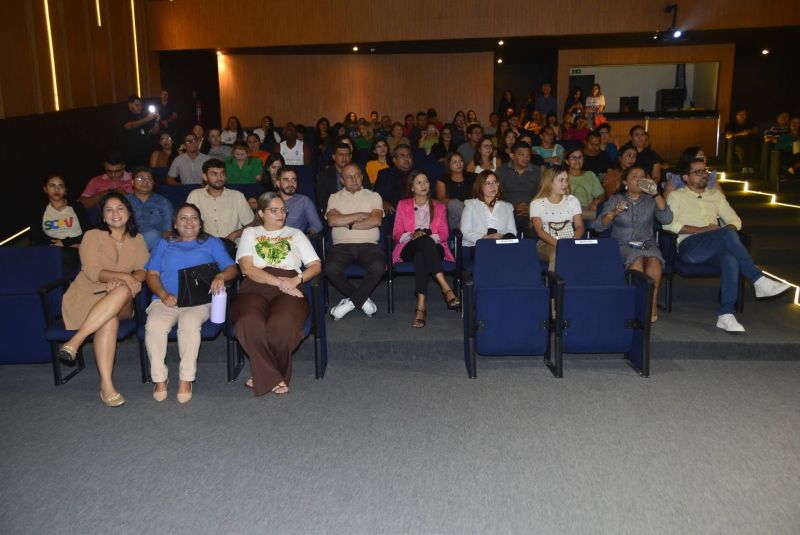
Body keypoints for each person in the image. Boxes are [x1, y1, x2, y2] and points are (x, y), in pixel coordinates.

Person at [664, 158, 790, 331]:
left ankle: (726, 314)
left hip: (715, 246)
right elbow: (668, 225)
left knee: (730, 257)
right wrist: (701, 230)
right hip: (689, 247)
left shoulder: (715, 196)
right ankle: (757, 279)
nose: (704, 175)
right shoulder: (676, 196)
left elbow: (734, 220)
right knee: (726, 234)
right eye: (698, 172)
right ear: (686, 177)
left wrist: (724, 230)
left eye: (705, 171)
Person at [57, 192, 148, 407]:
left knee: (122, 291)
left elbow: (143, 270)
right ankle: (106, 385)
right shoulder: (92, 236)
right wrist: (124, 276)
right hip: (87, 296)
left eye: (120, 208)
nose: (115, 213)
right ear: (103, 216)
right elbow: (92, 272)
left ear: (128, 213)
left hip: (124, 299)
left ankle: (75, 341)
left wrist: (129, 280)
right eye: (109, 210)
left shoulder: (138, 239)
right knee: (109, 319)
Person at [144, 203, 238, 403]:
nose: (189, 222)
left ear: (200, 223)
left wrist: (221, 275)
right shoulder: (164, 243)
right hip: (166, 299)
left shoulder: (211, 243)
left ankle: (186, 378)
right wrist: (162, 294)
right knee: (154, 326)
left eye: (194, 218)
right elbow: (151, 274)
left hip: (198, 301)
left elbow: (232, 268)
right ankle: (159, 378)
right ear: (175, 224)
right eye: (183, 218)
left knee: (188, 324)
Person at [232, 192, 322, 396]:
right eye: (274, 210)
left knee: (281, 326)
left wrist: (295, 280)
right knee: (248, 321)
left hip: (290, 282)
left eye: (283, 210)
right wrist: (279, 283)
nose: (280, 214)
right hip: (256, 284)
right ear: (262, 213)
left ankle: (262, 375)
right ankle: (273, 376)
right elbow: (247, 268)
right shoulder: (250, 233)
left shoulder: (296, 234)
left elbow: (315, 266)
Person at [594, 166, 673, 322]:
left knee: (655, 260)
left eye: (643, 176)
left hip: (646, 243)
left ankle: (651, 305)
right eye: (635, 176)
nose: (639, 180)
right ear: (625, 182)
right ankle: (636, 305)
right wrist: (613, 213)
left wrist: (656, 194)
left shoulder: (651, 200)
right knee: (636, 259)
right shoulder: (616, 199)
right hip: (623, 244)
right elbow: (599, 226)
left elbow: (667, 219)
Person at [391, 170, 459, 328]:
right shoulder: (403, 204)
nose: (423, 185)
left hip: (434, 247)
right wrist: (413, 235)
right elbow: (396, 234)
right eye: (419, 182)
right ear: (412, 187)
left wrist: (426, 236)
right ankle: (446, 288)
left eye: (426, 181)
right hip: (409, 247)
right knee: (422, 243)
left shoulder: (439, 206)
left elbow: (443, 233)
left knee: (423, 252)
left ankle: (421, 306)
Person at [324, 163, 384, 320]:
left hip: (369, 246)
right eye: (349, 176)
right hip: (341, 247)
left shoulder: (373, 196)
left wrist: (345, 220)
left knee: (379, 267)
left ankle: (351, 302)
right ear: (342, 180)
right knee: (330, 268)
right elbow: (332, 221)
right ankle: (363, 301)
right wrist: (361, 214)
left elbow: (376, 220)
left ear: (362, 177)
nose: (354, 179)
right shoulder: (334, 197)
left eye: (357, 175)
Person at [186, 159, 254, 250]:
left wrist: (236, 234)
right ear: (205, 177)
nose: (219, 178)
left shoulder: (237, 196)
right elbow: (186, 223)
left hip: (232, 247)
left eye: (222, 173)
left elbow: (252, 224)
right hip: (204, 247)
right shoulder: (195, 195)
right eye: (214, 174)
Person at [30, 174, 90, 271]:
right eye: (52, 186)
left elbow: (89, 232)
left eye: (60, 186)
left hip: (76, 247)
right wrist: (52, 243)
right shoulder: (40, 210)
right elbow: (34, 235)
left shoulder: (77, 206)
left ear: (65, 190)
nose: (56, 189)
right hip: (51, 249)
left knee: (61, 257)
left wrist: (65, 242)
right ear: (45, 189)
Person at [530, 167, 584, 271]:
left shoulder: (572, 200)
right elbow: (540, 231)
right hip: (546, 244)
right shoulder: (537, 203)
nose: (565, 184)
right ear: (549, 182)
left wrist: (572, 242)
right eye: (561, 180)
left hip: (571, 241)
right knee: (557, 253)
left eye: (567, 180)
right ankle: (555, 285)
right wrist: (562, 245)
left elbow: (579, 226)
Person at [459, 170, 517, 248]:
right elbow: (465, 232)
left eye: (495, 182)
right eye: (488, 183)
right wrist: (485, 237)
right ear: (480, 186)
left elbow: (512, 232)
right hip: (477, 246)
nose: (492, 186)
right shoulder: (470, 205)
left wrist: (499, 237)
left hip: (501, 245)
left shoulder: (507, 207)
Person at [496, 141, 542, 233]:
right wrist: (512, 206)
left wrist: (530, 208)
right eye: (521, 154)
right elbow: (496, 196)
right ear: (512, 156)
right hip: (508, 212)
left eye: (528, 155)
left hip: (531, 212)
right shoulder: (501, 171)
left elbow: (541, 194)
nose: (526, 158)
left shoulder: (536, 171)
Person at [127, 167, 173, 250]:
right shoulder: (124, 202)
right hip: (128, 241)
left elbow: (169, 230)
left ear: (153, 183)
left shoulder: (163, 202)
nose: (145, 181)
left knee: (152, 235)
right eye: (140, 178)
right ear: (132, 182)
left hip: (155, 242)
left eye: (149, 179)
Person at [277, 167, 322, 236]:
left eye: (294, 180)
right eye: (286, 180)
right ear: (278, 183)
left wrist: (306, 235)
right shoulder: (270, 200)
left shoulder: (304, 201)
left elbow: (317, 226)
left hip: (294, 242)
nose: (291, 184)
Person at [436, 152, 475, 229]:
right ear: (449, 165)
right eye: (455, 162)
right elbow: (441, 199)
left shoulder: (472, 177)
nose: (459, 164)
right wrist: (463, 207)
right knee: (453, 203)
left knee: (464, 224)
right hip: (454, 215)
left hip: (470, 213)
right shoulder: (443, 179)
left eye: (460, 161)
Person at [564, 145, 604, 221]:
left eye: (580, 157)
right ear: (567, 161)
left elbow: (601, 195)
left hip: (587, 211)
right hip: (568, 213)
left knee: (593, 224)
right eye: (573, 158)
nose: (577, 160)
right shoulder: (562, 176)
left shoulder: (590, 175)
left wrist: (596, 201)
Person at [375, 144, 416, 216]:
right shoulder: (384, 174)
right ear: (394, 160)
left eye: (409, 156)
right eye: (402, 156)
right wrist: (382, 202)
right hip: (392, 212)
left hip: (414, 212)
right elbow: (375, 195)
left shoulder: (418, 174)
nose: (406, 159)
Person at [316, 142, 358, 212]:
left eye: (347, 155)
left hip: (357, 209)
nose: (344, 158)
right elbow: (322, 201)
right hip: (334, 212)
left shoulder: (359, 172)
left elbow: (365, 193)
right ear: (334, 157)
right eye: (340, 155)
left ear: (351, 156)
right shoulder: (324, 175)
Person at [122, 95, 159, 167]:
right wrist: (147, 119)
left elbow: (154, 132)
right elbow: (129, 126)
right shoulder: (125, 114)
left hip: (146, 152)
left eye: (141, 105)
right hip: (132, 155)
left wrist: (157, 121)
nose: (140, 107)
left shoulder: (142, 115)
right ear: (129, 104)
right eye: (137, 105)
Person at [725, 109, 760, 173]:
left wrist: (749, 131)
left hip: (750, 142)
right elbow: (727, 135)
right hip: (738, 143)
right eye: (741, 114)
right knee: (742, 148)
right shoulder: (732, 124)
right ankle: (744, 167)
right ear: (737, 115)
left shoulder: (749, 122)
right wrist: (741, 133)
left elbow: (757, 130)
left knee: (754, 147)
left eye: (744, 115)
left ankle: (751, 167)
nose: (743, 116)